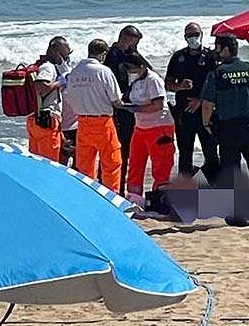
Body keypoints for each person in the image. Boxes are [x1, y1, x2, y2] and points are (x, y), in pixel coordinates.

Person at [201, 34, 249, 202]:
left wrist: (206, 123)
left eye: (217, 47)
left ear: (225, 49)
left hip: (228, 129)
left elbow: (208, 104)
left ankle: (237, 214)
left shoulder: (217, 72)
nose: (215, 51)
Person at [66, 39, 124, 192]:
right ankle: (112, 198)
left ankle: (88, 197)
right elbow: (116, 99)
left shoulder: (74, 72)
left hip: (82, 122)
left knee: (85, 166)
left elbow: (69, 98)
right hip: (103, 122)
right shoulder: (103, 71)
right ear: (103, 54)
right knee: (111, 163)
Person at [165, 22, 220, 183]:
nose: (193, 38)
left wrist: (201, 100)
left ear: (201, 35)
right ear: (185, 37)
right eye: (190, 35)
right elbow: (167, 84)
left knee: (211, 153)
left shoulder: (211, 57)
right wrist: (179, 86)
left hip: (206, 113)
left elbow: (218, 85)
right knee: (185, 154)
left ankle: (214, 190)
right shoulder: (178, 57)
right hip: (184, 113)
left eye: (196, 34)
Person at [122, 51, 176, 199]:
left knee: (161, 166)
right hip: (140, 127)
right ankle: (134, 197)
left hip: (160, 127)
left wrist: (136, 108)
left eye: (132, 69)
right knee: (135, 164)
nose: (130, 72)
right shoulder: (134, 80)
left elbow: (158, 105)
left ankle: (160, 198)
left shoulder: (153, 80)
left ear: (141, 66)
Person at [103, 25, 147, 194]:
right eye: (133, 43)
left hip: (128, 106)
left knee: (125, 150)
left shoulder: (129, 55)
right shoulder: (112, 55)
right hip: (117, 107)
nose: (134, 47)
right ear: (126, 39)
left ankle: (119, 187)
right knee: (117, 150)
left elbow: (146, 69)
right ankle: (115, 188)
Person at [26, 36, 71, 161]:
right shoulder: (48, 67)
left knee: (36, 160)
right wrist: (60, 82)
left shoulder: (45, 66)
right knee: (49, 162)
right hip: (47, 118)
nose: (67, 58)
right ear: (58, 53)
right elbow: (41, 87)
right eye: (66, 54)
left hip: (38, 117)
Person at [58, 50, 78, 167]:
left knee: (66, 164)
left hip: (74, 127)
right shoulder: (59, 85)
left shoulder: (64, 82)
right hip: (64, 128)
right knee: (62, 164)